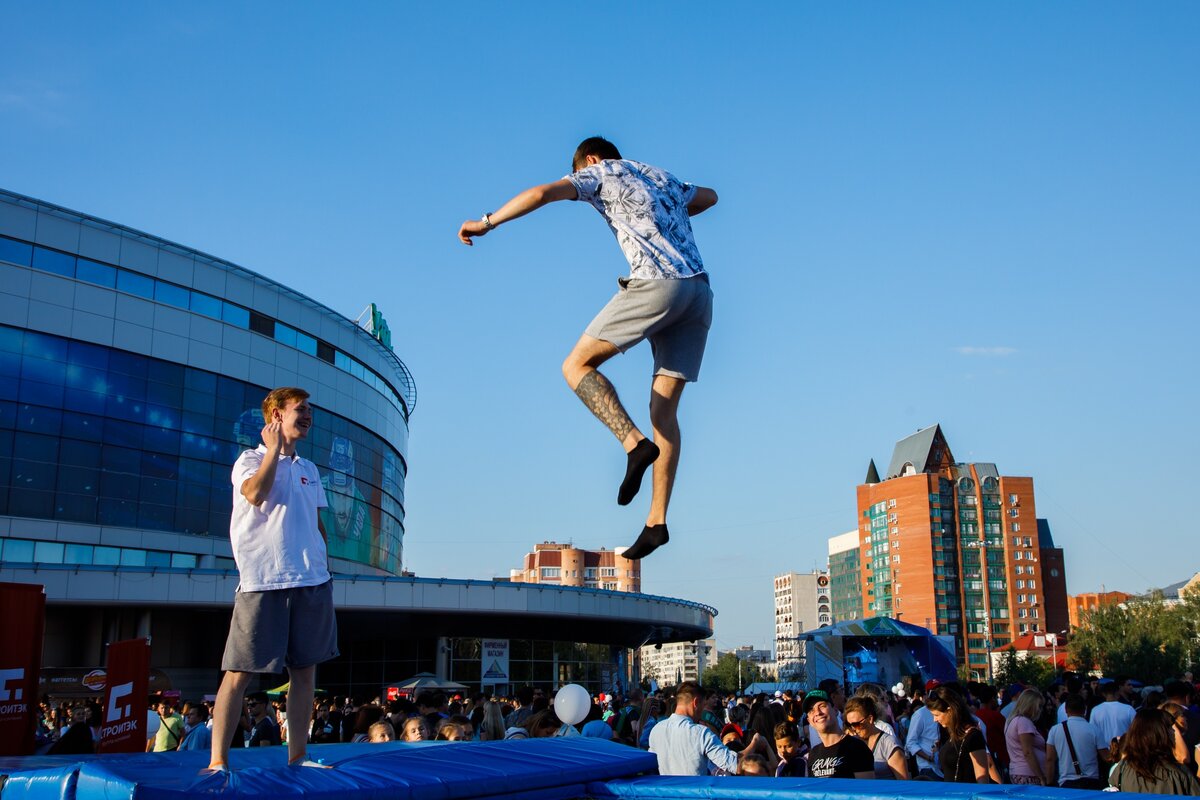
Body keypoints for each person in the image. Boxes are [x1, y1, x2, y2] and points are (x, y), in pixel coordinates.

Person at [457, 137, 718, 560]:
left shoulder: (600, 171)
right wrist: (668, 205)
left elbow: (542, 193)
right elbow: (709, 196)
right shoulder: (661, 177)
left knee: (576, 365)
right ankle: (656, 522)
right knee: (664, 411)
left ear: (591, 160)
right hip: (700, 294)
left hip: (658, 285)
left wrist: (485, 223)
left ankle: (633, 444)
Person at [208, 387, 338, 771]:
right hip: (264, 580)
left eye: (310, 409)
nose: (308, 415)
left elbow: (316, 522)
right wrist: (272, 451)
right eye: (300, 409)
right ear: (276, 416)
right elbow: (255, 493)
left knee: (305, 671)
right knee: (239, 672)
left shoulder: (310, 469)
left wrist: (322, 559)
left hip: (311, 580)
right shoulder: (249, 459)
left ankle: (298, 756)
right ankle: (218, 761)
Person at [649, 682, 765, 776]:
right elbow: (735, 765)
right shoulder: (701, 733)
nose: (703, 711)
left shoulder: (656, 730)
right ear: (695, 703)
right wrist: (754, 743)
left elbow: (650, 767)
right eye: (703, 705)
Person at [1108, 708, 1200, 795]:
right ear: (1159, 733)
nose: (1173, 732)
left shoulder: (1122, 768)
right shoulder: (1179, 773)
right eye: (1169, 728)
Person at [924, 686, 995, 783]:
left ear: (950, 711)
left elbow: (982, 776)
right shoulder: (951, 734)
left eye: (937, 715)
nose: (935, 719)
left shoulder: (973, 735)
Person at [804, 690, 875, 779]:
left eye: (822, 706)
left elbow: (867, 789)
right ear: (809, 721)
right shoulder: (813, 754)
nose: (817, 712)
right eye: (811, 710)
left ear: (835, 710)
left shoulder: (857, 748)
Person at [1045, 693, 1105, 789]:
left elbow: (1050, 759)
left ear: (1066, 710)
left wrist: (1049, 783)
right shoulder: (1094, 729)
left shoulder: (1055, 730)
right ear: (1084, 709)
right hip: (1091, 782)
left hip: (1067, 783)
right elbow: (1105, 757)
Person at [844, 696, 908, 779]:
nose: (853, 729)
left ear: (870, 719)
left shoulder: (889, 743)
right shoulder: (854, 744)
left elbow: (904, 782)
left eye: (856, 724)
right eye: (849, 725)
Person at [1005, 688, 1048, 785]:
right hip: (1028, 775)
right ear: (1030, 705)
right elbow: (1028, 752)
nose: (1040, 710)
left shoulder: (1011, 720)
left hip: (1019, 771)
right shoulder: (1024, 722)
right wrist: (1041, 776)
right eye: (1039, 706)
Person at [1091, 679, 1136, 761]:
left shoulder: (1095, 710)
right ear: (1118, 693)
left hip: (1104, 754)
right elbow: (1136, 731)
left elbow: (1093, 733)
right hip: (1125, 753)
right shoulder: (1128, 709)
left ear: (1104, 694)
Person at [906, 681, 942, 779]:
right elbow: (910, 742)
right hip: (928, 768)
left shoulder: (946, 711)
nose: (937, 694)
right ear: (927, 694)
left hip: (945, 767)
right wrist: (929, 758)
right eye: (934, 692)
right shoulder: (920, 714)